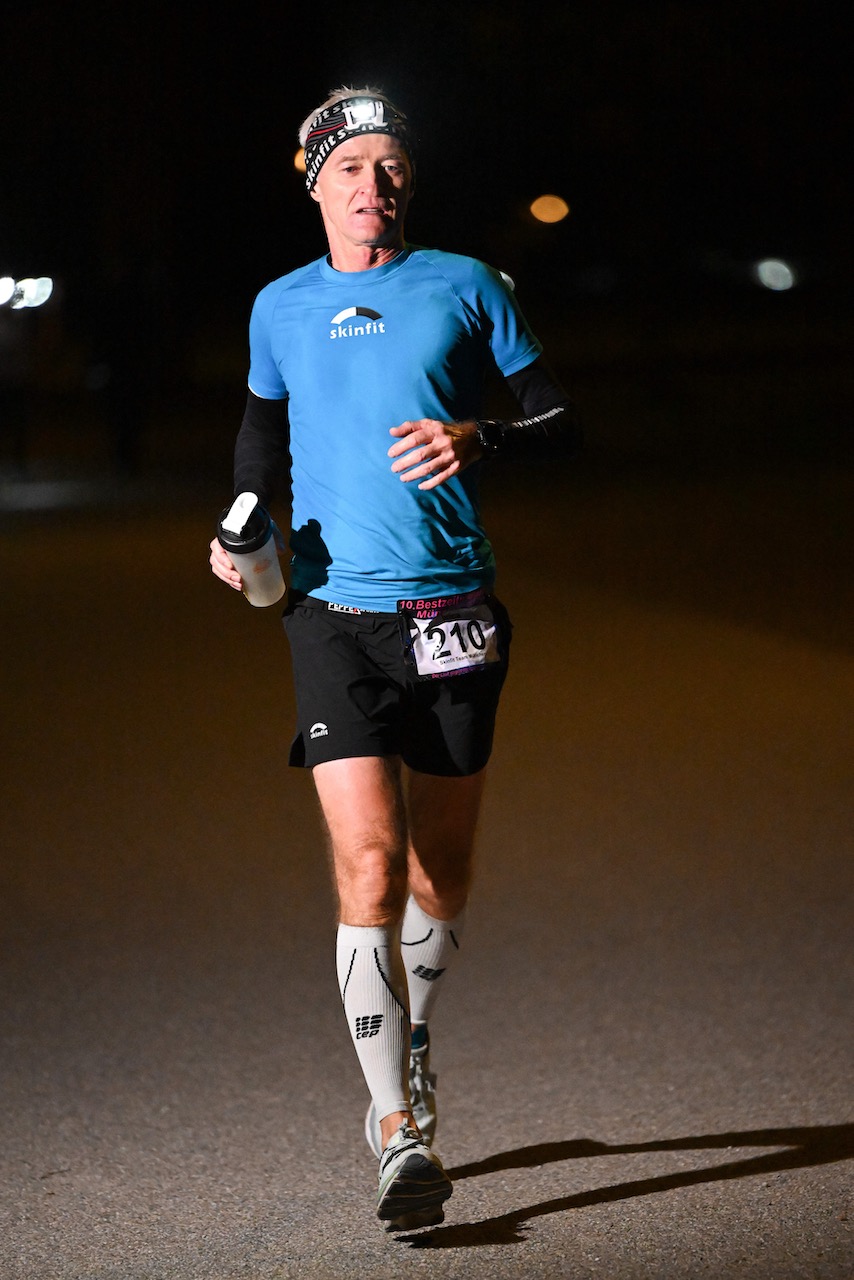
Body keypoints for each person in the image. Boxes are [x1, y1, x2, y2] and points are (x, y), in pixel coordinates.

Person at [209, 86, 578, 1232]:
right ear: (312, 177)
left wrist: (481, 435)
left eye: (391, 166)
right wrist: (239, 533)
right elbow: (258, 437)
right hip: (331, 614)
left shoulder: (465, 285)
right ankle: (395, 1125)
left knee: (439, 876)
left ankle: (413, 1035)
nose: (375, 184)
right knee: (368, 861)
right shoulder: (279, 306)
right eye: (353, 165)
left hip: (454, 609)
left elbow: (554, 413)